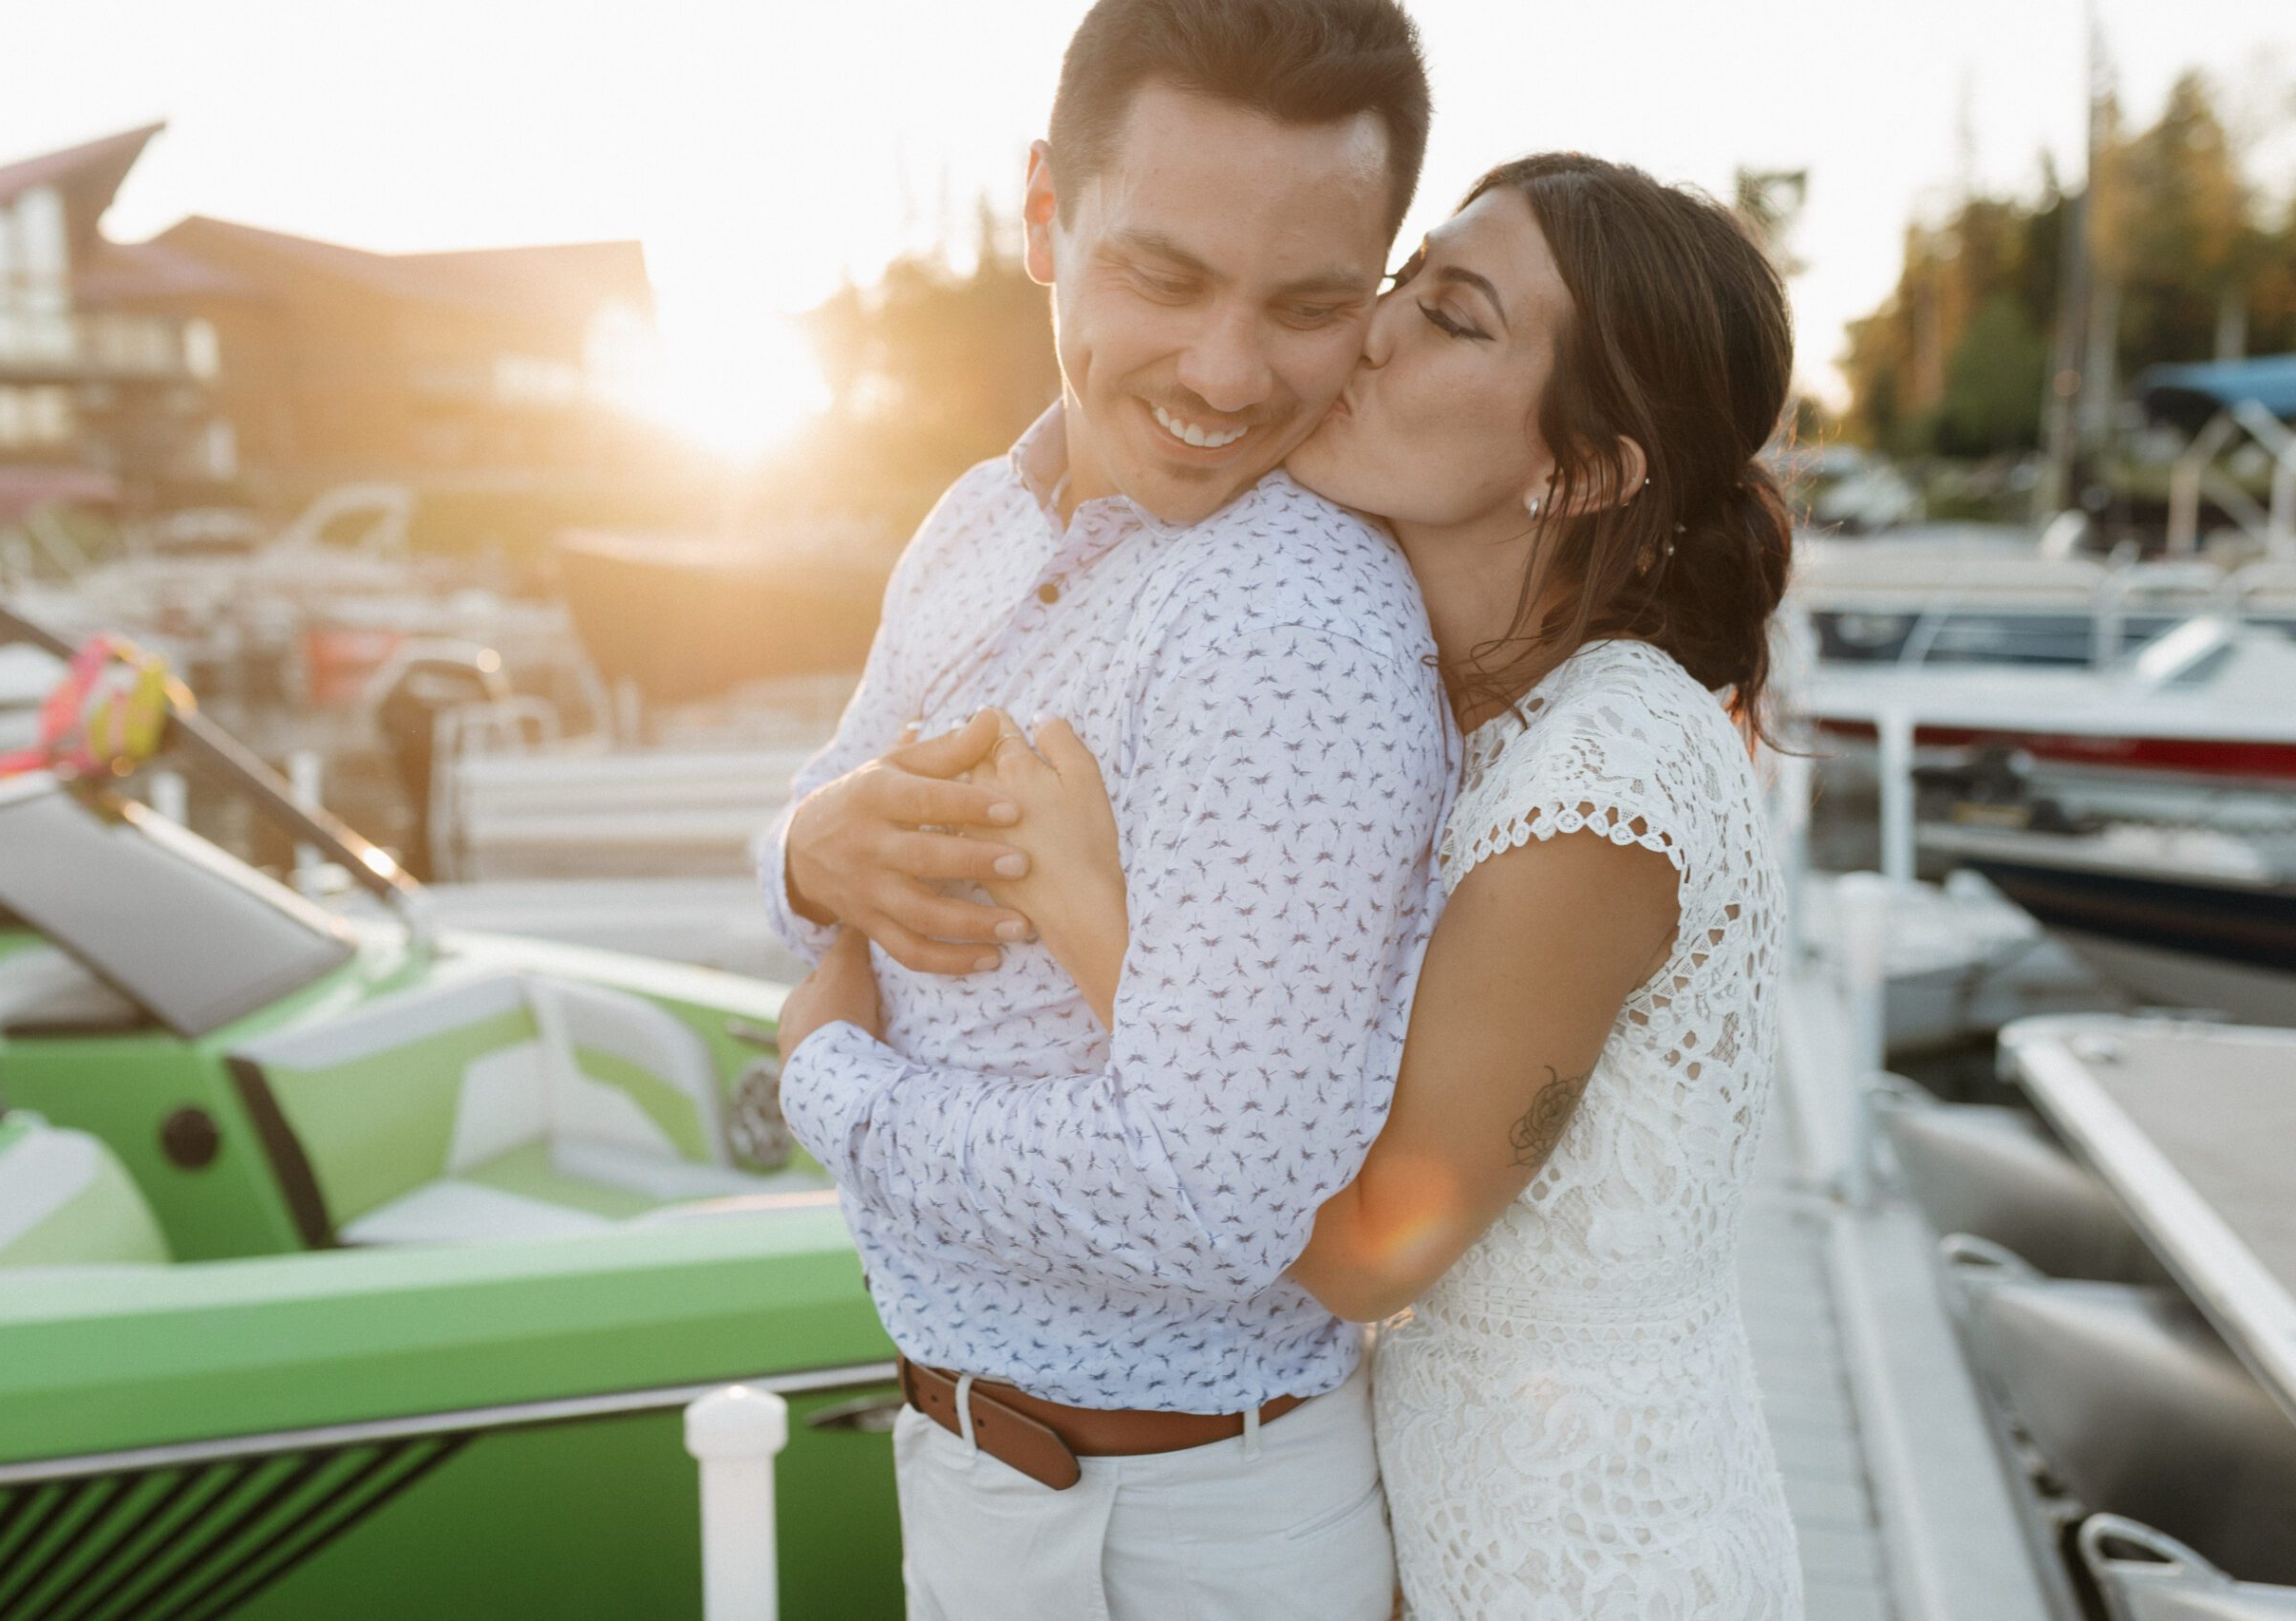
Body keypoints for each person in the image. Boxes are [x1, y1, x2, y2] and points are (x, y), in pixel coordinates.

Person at [894, 154, 1810, 1616]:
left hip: (1599, 1565)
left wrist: (1087, 903)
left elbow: (1376, 1245)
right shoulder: (1446, 711)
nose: (1370, 334)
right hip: (1443, 1526)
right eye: (1401, 285)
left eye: (1452, 315)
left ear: (1578, 468)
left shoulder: (1612, 770)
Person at [765, 2, 1448, 1617]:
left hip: (1188, 1531)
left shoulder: (1290, 632)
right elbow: (824, 836)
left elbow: (1215, 1201)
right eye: (1164, 276)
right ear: (1042, 218)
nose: (1225, 370)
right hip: (981, 1480)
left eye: (1307, 304)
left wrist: (830, 1088)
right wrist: (798, 851)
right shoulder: (975, 520)